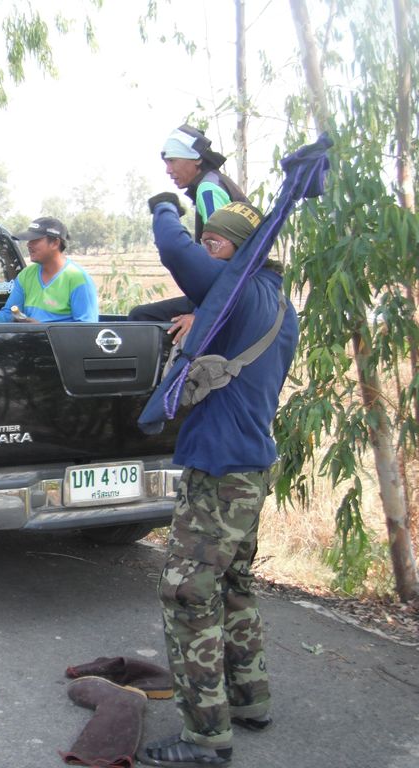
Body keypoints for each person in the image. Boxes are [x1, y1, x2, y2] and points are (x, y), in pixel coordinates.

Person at [137, 200, 299, 767]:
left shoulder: (239, 290)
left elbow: (173, 249)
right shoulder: (277, 302)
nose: (205, 251)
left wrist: (164, 207)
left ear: (236, 248)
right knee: (233, 585)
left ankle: (205, 737)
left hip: (220, 474)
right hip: (251, 466)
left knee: (185, 594)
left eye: (215, 243)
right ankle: (250, 699)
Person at [129, 124, 249, 327]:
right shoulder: (216, 181)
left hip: (231, 292)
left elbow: (221, 255)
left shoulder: (208, 189)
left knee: (141, 317)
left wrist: (201, 315)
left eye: (172, 161)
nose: (168, 170)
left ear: (197, 159)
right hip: (237, 288)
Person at [0, 217, 97, 323]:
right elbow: (8, 314)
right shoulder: (26, 275)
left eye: (35, 240)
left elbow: (86, 331)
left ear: (55, 243)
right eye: (29, 240)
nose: (28, 245)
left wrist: (42, 330)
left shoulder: (78, 280)